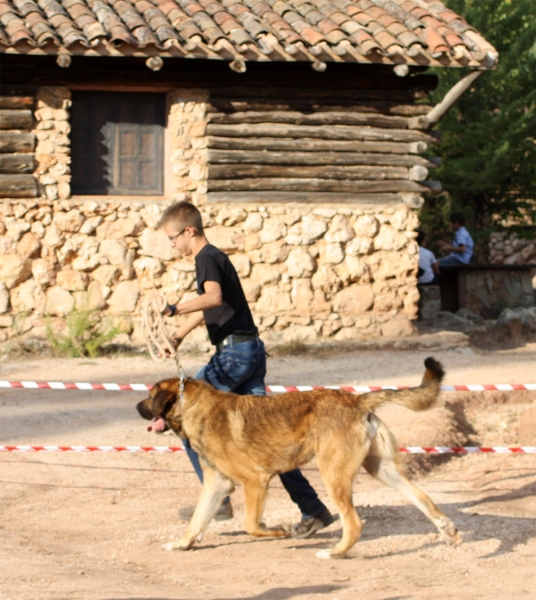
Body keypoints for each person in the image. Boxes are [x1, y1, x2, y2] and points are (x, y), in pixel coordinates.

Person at [157, 201, 334, 538]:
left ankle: (220, 496)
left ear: (188, 231)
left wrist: (173, 308)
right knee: (267, 438)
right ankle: (313, 510)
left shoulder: (205, 258)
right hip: (249, 350)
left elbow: (212, 298)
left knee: (186, 415)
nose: (172, 244)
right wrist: (178, 335)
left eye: (172, 237)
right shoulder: (215, 257)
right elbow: (215, 306)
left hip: (235, 354)